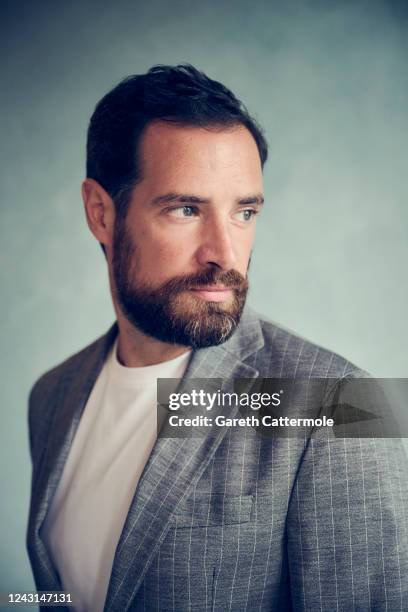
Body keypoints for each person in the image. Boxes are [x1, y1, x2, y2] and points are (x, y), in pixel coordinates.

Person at [26, 64, 408, 611]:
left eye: (245, 211)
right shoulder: (52, 397)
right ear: (100, 213)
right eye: (185, 209)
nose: (225, 255)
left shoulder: (340, 405)